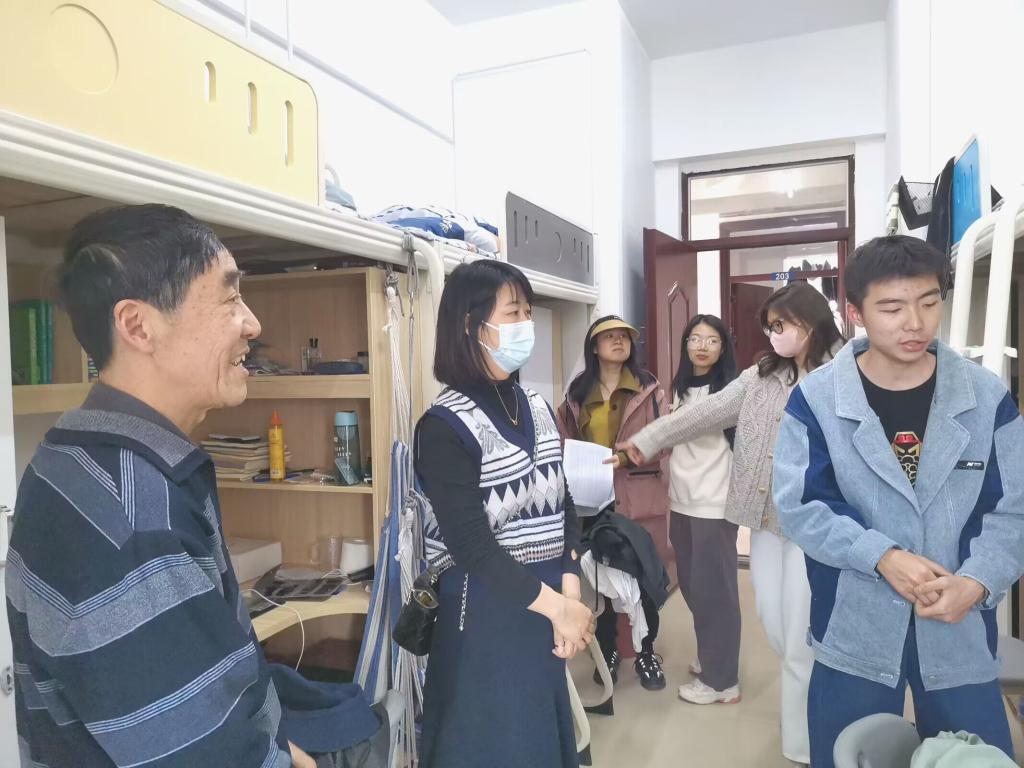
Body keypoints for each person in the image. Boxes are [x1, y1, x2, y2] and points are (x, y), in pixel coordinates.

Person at [6, 205, 316, 767]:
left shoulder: (83, 458)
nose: (252, 324)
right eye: (229, 298)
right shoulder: (129, 516)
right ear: (137, 326)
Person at [774, 236, 1024, 767]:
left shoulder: (986, 398)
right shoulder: (817, 399)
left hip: (959, 622)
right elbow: (800, 505)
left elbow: (1013, 510)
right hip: (855, 621)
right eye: (891, 308)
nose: (915, 323)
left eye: (929, 302)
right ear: (855, 313)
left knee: (978, 756)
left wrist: (976, 582)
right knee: (848, 753)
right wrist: (881, 556)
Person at [618, 281, 844, 765]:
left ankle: (805, 743)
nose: (775, 335)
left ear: (810, 321)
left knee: (801, 637)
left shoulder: (843, 372)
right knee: (776, 626)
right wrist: (648, 439)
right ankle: (809, 721)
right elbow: (705, 413)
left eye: (782, 325)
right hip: (765, 518)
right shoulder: (761, 375)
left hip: (818, 524)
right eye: (770, 327)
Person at [414, 260, 593, 768]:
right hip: (484, 618)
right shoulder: (444, 426)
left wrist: (570, 589)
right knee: (492, 743)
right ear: (472, 326)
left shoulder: (536, 405)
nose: (526, 324)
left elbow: (563, 500)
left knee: (540, 740)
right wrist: (559, 609)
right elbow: (472, 546)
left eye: (528, 312)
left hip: (546, 610)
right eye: (513, 313)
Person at [555, 315, 669, 691]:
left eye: (625, 337)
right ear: (594, 347)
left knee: (644, 575)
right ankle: (609, 650)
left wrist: (628, 457)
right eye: (610, 337)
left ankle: (647, 651)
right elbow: (562, 442)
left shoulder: (649, 389)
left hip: (637, 496)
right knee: (601, 578)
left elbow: (664, 439)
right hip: (592, 499)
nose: (619, 342)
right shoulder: (576, 395)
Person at [665, 314, 742, 706]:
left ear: (723, 347)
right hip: (681, 499)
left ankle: (722, 681)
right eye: (695, 338)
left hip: (714, 501)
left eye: (712, 340)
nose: (702, 346)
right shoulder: (680, 388)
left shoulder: (729, 392)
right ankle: (713, 653)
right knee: (693, 585)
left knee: (716, 590)